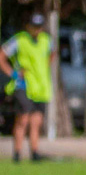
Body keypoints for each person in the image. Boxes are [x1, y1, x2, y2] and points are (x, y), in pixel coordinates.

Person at [0, 12, 52, 163]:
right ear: (28, 26)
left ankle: (34, 153)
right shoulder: (20, 40)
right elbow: (2, 55)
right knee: (23, 119)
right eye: (34, 26)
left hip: (41, 87)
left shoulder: (46, 41)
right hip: (23, 85)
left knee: (36, 121)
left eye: (39, 27)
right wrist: (14, 73)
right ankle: (17, 153)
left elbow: (52, 54)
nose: (37, 30)